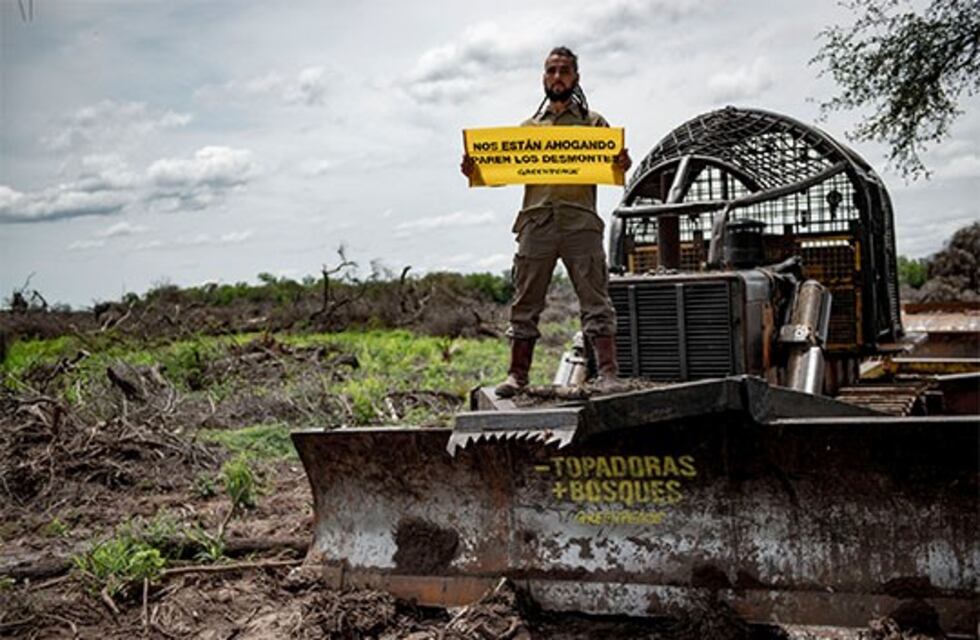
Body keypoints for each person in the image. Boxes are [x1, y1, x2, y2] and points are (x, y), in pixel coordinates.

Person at [461, 46, 631, 397]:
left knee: (596, 299)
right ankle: (517, 376)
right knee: (525, 301)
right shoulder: (528, 129)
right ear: (543, 78)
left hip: (580, 224)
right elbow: (501, 170)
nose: (557, 77)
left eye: (564, 71)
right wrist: (475, 168)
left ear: (576, 78)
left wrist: (621, 162)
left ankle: (609, 374)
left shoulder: (594, 124)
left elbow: (613, 168)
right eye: (551, 70)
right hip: (536, 224)